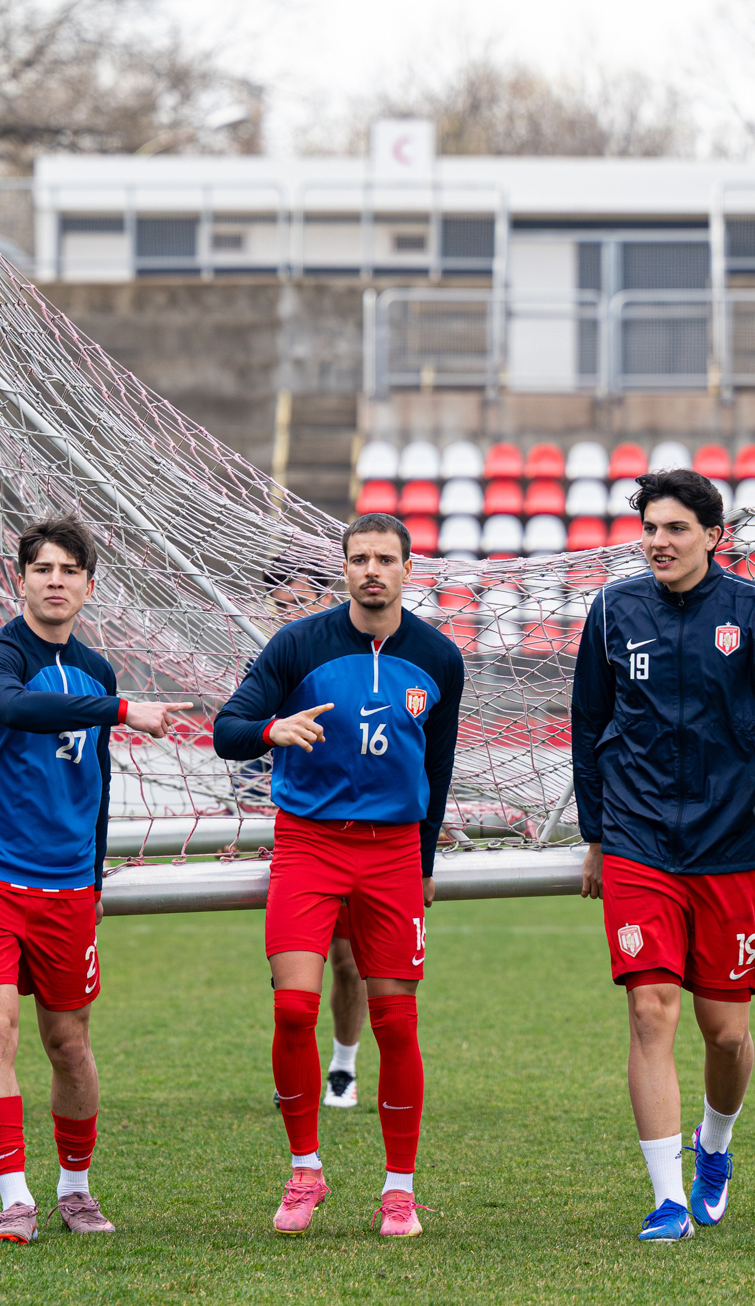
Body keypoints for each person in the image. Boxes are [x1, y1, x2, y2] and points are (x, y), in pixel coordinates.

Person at [570, 469, 755, 1244]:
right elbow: (588, 728)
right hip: (639, 841)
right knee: (651, 1010)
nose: (659, 541)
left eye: (676, 528)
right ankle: (666, 1200)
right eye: (651, 528)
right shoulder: (613, 610)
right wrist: (595, 834)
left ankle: (713, 1148)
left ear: (714, 537)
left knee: (725, 1031)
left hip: (730, 848)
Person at [0, 517, 189, 1244]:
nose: (56, 579)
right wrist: (125, 710)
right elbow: (17, 708)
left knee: (68, 1040)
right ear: (22, 579)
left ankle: (75, 1188)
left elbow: (95, 781)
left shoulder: (95, 670)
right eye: (43, 569)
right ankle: (14, 1197)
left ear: (90, 586)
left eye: (70, 569)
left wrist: (93, 877)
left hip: (66, 883)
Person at [213, 511, 465, 1240]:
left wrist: (421, 865)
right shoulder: (298, 643)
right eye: (359, 558)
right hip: (308, 844)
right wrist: (271, 729)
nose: (372, 570)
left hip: (391, 853)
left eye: (386, 558)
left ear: (408, 569)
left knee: (397, 1020)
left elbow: (437, 769)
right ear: (344, 567)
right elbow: (229, 727)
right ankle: (305, 1170)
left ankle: (399, 1190)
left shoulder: (440, 657)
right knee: (293, 1009)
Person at [246, 561, 369, 1111]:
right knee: (293, 968)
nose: (292, 610)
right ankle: (294, 1065)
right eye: (282, 602)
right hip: (300, 835)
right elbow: (241, 730)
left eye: (303, 599)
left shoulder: (358, 660)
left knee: (347, 960)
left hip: (361, 835)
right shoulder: (275, 656)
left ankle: (343, 1066)